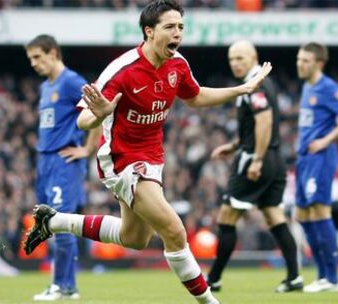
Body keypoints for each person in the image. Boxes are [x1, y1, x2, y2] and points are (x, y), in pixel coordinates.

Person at [23, 1, 272, 303]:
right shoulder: (122, 70)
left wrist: (240, 90)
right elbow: (83, 119)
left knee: (134, 239)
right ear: (149, 31)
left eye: (181, 27)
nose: (177, 33)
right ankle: (209, 301)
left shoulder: (177, 64)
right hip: (122, 160)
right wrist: (100, 113)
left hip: (152, 157)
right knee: (174, 231)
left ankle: (54, 222)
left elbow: (195, 97)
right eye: (170, 27)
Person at [206, 40, 303, 293]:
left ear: (254, 57)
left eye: (240, 58)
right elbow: (254, 126)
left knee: (226, 217)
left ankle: (213, 279)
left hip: (256, 159)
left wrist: (256, 159)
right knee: (274, 216)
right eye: (231, 59)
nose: (235, 63)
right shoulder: (254, 83)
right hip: (274, 158)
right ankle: (294, 277)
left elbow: (264, 122)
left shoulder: (256, 84)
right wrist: (234, 144)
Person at [25, 34, 101, 301]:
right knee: (46, 224)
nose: (33, 63)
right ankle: (60, 285)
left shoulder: (70, 81)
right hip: (45, 162)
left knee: (59, 221)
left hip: (63, 162)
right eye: (30, 58)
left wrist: (88, 149)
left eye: (38, 57)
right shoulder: (47, 86)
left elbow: (98, 111)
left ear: (54, 53)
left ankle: (65, 286)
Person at [295, 42, 338, 292]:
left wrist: (326, 140)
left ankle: (332, 278)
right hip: (304, 159)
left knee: (320, 211)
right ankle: (323, 275)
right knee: (302, 215)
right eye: (299, 59)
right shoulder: (307, 86)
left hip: (321, 158)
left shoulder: (327, 87)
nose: (300, 64)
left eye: (305, 61)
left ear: (319, 63)